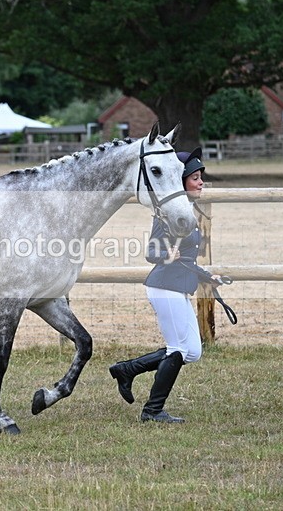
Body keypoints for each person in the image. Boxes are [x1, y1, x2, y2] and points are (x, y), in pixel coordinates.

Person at [109, 147, 222, 423]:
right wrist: (166, 255)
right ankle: (152, 411)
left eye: (200, 178)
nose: (201, 182)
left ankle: (127, 369)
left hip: (177, 287)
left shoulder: (186, 210)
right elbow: (151, 252)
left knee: (192, 352)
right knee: (180, 349)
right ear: (182, 181)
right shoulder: (167, 212)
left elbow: (185, 258)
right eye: (195, 177)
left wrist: (206, 275)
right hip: (164, 287)